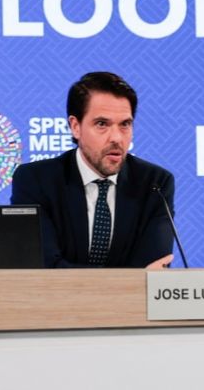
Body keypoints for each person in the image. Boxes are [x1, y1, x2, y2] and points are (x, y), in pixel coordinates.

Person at [10, 71, 176, 269]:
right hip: (54, 299)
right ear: (75, 126)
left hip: (131, 301)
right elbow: (43, 266)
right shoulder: (36, 180)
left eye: (125, 124)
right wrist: (123, 279)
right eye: (102, 124)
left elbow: (153, 269)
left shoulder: (154, 183)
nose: (116, 137)